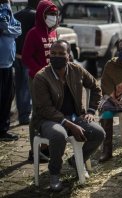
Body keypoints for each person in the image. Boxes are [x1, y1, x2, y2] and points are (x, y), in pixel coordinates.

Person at [31, 40, 105, 191]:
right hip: (48, 120)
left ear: (69, 55)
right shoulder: (41, 77)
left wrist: (91, 111)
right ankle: (54, 174)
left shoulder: (76, 70)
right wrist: (71, 125)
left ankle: (77, 161)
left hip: (76, 116)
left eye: (61, 53)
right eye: (53, 54)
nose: (56, 56)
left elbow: (96, 87)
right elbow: (45, 109)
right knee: (59, 135)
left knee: (99, 133)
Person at [22, 0, 58, 160]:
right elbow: (26, 57)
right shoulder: (33, 33)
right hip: (37, 80)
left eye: (55, 14)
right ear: (41, 14)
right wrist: (40, 72)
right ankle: (34, 151)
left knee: (51, 112)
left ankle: (46, 147)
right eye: (49, 14)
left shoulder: (53, 33)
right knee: (37, 113)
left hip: (53, 80)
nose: (53, 17)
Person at [13, 0, 40, 125]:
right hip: (29, 57)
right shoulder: (37, 16)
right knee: (27, 87)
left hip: (15, 56)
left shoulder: (17, 15)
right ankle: (25, 116)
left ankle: (22, 114)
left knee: (20, 87)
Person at [0, 0, 21, 141]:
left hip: (8, 64)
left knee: (7, 98)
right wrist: (9, 29)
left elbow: (18, 29)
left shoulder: (7, 8)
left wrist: (7, 29)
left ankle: (3, 130)